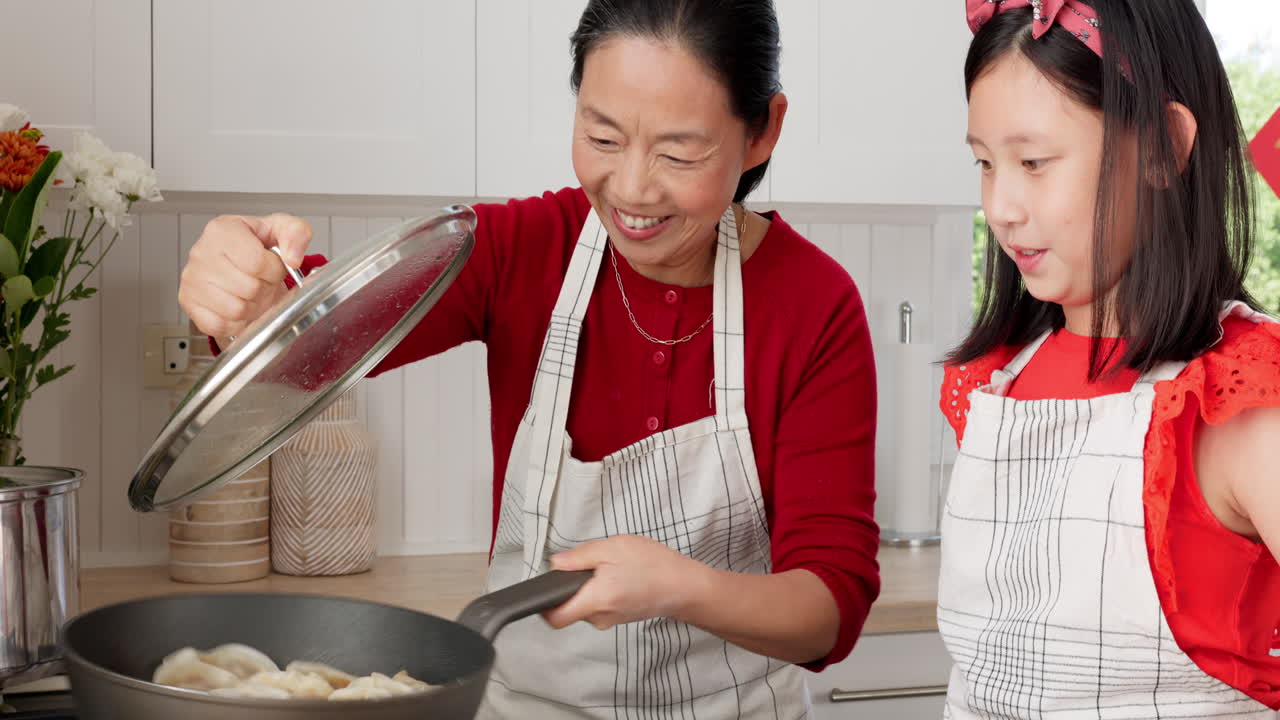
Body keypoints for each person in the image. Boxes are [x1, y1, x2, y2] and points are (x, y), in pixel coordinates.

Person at [177, 1, 881, 717]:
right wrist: (252, 295)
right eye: (601, 137)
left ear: (762, 131)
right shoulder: (522, 250)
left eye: (678, 152)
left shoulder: (813, 303)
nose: (632, 189)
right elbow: (315, 347)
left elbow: (830, 606)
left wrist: (678, 586)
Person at [939, 0, 1280, 716]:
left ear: (1162, 147)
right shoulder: (997, 384)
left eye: (1034, 162)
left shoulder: (1240, 403)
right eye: (984, 163)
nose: (1000, 205)